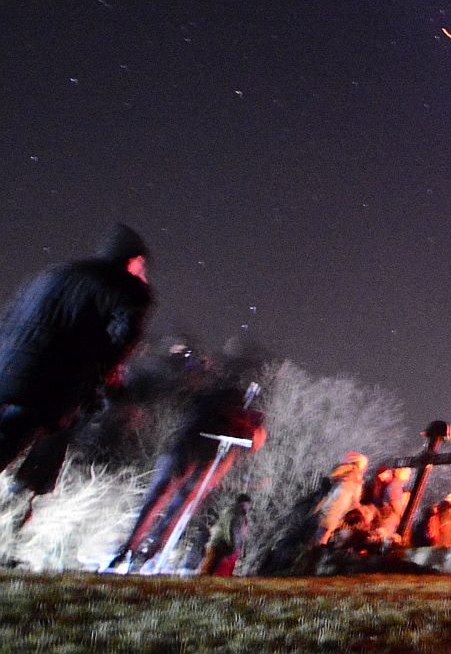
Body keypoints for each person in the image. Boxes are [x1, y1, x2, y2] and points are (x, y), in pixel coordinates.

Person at [0, 224, 154, 471]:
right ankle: (29, 485)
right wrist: (106, 377)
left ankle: (29, 486)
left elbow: (9, 318)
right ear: (134, 260)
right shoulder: (128, 287)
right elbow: (124, 338)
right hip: (42, 385)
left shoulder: (52, 273)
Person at [104, 366, 266, 572]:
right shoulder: (213, 398)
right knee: (160, 499)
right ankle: (132, 550)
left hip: (208, 460)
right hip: (189, 450)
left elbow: (254, 442)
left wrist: (245, 427)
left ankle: (148, 553)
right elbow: (194, 409)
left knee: (176, 507)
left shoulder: (247, 414)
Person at [315, 452, 369, 545]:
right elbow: (355, 501)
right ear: (361, 465)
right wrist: (364, 513)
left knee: (323, 532)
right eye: (364, 465)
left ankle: (314, 548)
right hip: (335, 510)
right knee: (324, 535)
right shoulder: (356, 478)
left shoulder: (345, 472)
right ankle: (316, 550)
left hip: (329, 506)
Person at [198, 493, 251, 576]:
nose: (249, 507)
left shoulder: (238, 514)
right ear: (244, 503)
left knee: (214, 570)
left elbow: (236, 531)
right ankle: (200, 583)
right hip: (219, 544)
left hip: (223, 544)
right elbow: (231, 529)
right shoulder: (234, 513)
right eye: (248, 504)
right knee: (208, 570)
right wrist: (233, 545)